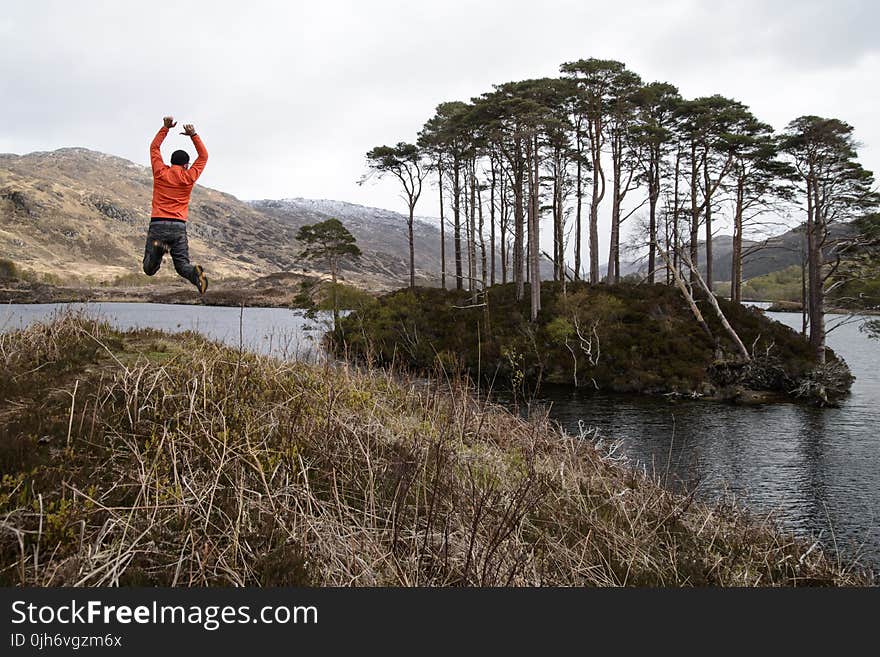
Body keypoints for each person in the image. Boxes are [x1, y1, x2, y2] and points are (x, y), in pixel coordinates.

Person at [142, 116, 209, 294]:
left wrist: (165, 128)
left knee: (149, 269)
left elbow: (154, 148)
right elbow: (204, 156)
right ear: (187, 165)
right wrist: (193, 134)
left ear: (171, 162)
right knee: (182, 266)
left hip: (158, 224)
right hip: (178, 227)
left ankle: (158, 250)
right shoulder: (189, 177)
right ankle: (196, 275)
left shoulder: (160, 172)